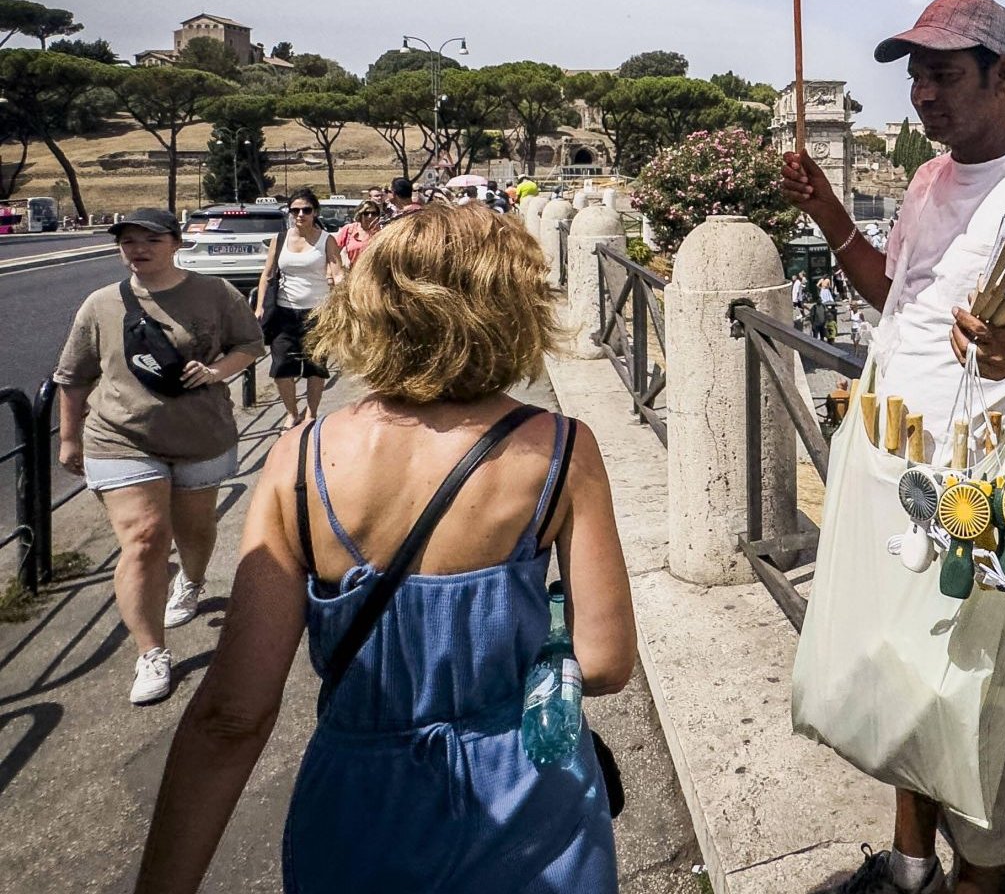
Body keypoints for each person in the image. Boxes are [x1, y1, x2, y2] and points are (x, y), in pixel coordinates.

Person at [136, 202, 636, 894]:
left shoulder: (298, 459)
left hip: (360, 799)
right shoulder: (558, 447)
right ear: (510, 307)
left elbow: (232, 715)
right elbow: (606, 665)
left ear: (369, 306)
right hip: (527, 793)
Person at [779, 0, 1005, 894]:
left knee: (977, 701)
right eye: (914, 76)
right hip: (893, 471)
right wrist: (826, 214)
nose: (922, 93)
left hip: (981, 493)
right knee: (904, 678)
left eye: (943, 74)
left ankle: (985, 877)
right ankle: (908, 865)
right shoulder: (929, 181)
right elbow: (893, 290)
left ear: (1003, 76)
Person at [55, 208, 265, 705]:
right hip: (119, 436)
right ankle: (151, 652)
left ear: (176, 243)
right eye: (128, 241)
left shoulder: (215, 294)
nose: (138, 248)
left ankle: (190, 582)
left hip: (200, 434)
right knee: (146, 537)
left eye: (150, 239)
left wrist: (218, 372)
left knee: (195, 531)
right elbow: (73, 376)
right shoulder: (101, 304)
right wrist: (69, 439)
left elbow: (250, 345)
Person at [253, 188, 348, 427]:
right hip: (284, 312)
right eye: (295, 210)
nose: (300, 214)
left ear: (315, 212)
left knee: (315, 367)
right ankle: (292, 412)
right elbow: (267, 274)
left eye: (306, 210)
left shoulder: (327, 240)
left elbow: (337, 274)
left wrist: (344, 301)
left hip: (318, 313)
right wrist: (260, 306)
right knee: (282, 367)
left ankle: (311, 413)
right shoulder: (281, 238)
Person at [333, 200, 385, 265]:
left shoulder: (382, 232)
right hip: (351, 272)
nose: (370, 216)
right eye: (366, 213)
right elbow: (334, 253)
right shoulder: (349, 229)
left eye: (373, 213)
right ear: (360, 214)